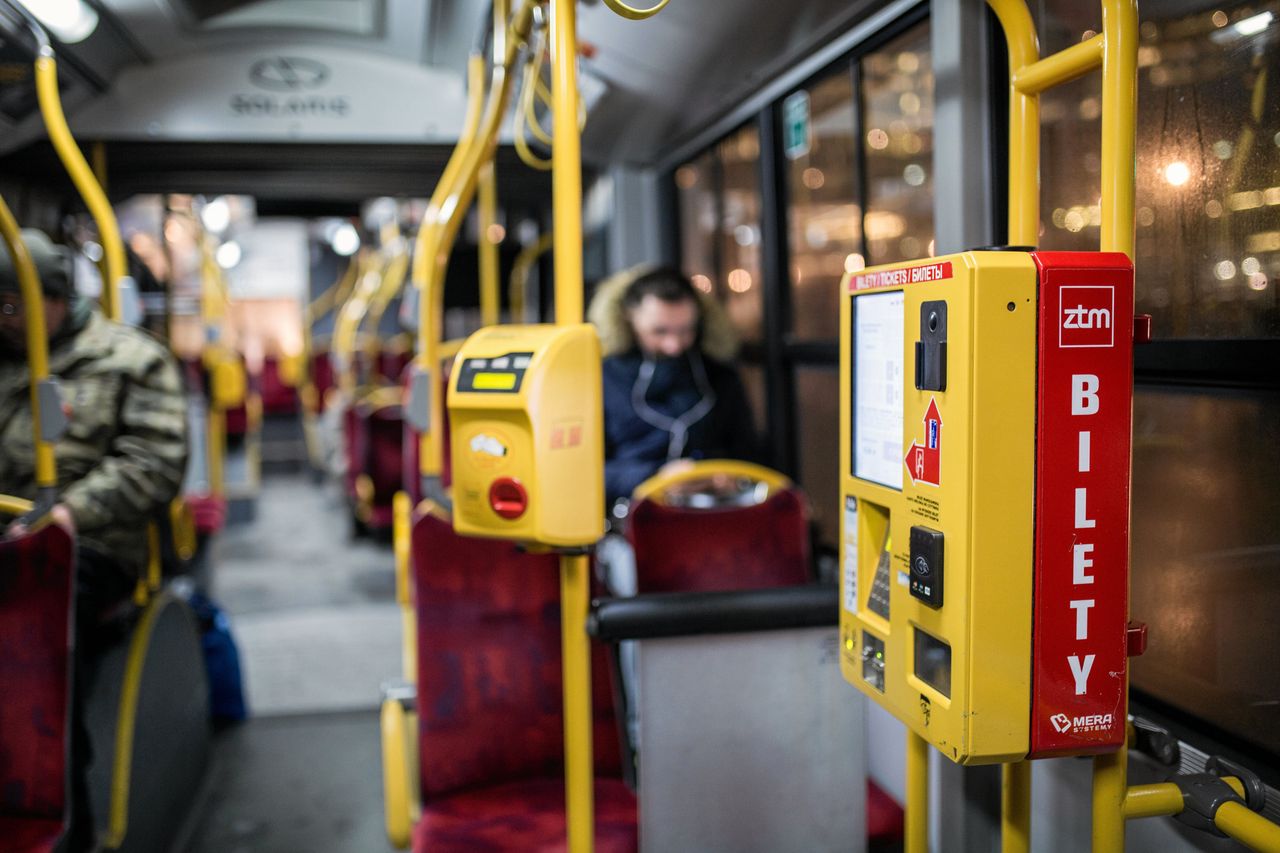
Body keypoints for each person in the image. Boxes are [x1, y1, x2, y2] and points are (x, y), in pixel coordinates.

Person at [0, 229, 188, 852]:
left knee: (38, 626)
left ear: (52, 297)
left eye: (12, 305)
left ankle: (59, 815)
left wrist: (71, 514)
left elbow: (155, 464)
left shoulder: (129, 358)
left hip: (93, 546)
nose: (5, 320)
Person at [589, 265, 760, 508]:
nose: (674, 345)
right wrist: (655, 476)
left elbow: (748, 453)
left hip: (708, 513)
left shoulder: (720, 377)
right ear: (628, 317)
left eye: (685, 330)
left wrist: (724, 474)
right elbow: (584, 473)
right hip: (627, 516)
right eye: (659, 331)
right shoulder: (603, 378)